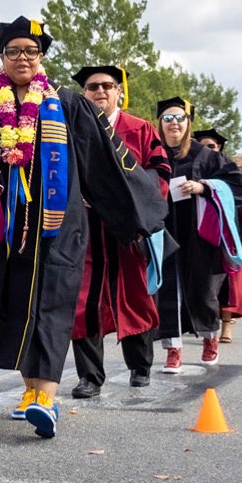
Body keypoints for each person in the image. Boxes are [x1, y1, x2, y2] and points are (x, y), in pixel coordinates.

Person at [0, 18, 162, 438]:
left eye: (30, 51)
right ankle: (29, 391)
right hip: (1, 226)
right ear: (1, 56)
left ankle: (46, 398)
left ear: (42, 57)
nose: (22, 58)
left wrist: (135, 211)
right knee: (14, 303)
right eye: (13, 51)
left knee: (52, 303)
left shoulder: (66, 103)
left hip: (57, 226)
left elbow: (104, 160)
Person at [69, 65, 170, 397]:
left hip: (128, 229)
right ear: (84, 94)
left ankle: (140, 367)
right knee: (83, 300)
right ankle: (89, 377)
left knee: (134, 296)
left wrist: (141, 214)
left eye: (107, 86)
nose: (100, 91)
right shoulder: (71, 130)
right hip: (86, 230)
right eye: (92, 87)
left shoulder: (139, 129)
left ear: (119, 92)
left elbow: (160, 175)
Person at [154, 100, 242, 369]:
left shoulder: (206, 156)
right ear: (160, 123)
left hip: (201, 236)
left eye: (180, 117)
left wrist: (203, 186)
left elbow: (239, 186)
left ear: (188, 123)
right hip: (165, 230)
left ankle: (210, 339)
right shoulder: (153, 153)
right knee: (168, 292)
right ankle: (173, 349)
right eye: (168, 117)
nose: (174, 122)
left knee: (203, 291)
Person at [193, 129, 242, 344]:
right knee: (204, 286)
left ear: (219, 148)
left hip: (226, 236)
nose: (207, 149)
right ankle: (206, 328)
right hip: (198, 235)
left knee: (228, 285)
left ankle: (226, 326)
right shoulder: (193, 167)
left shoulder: (227, 169)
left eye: (211, 146)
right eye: (202, 145)